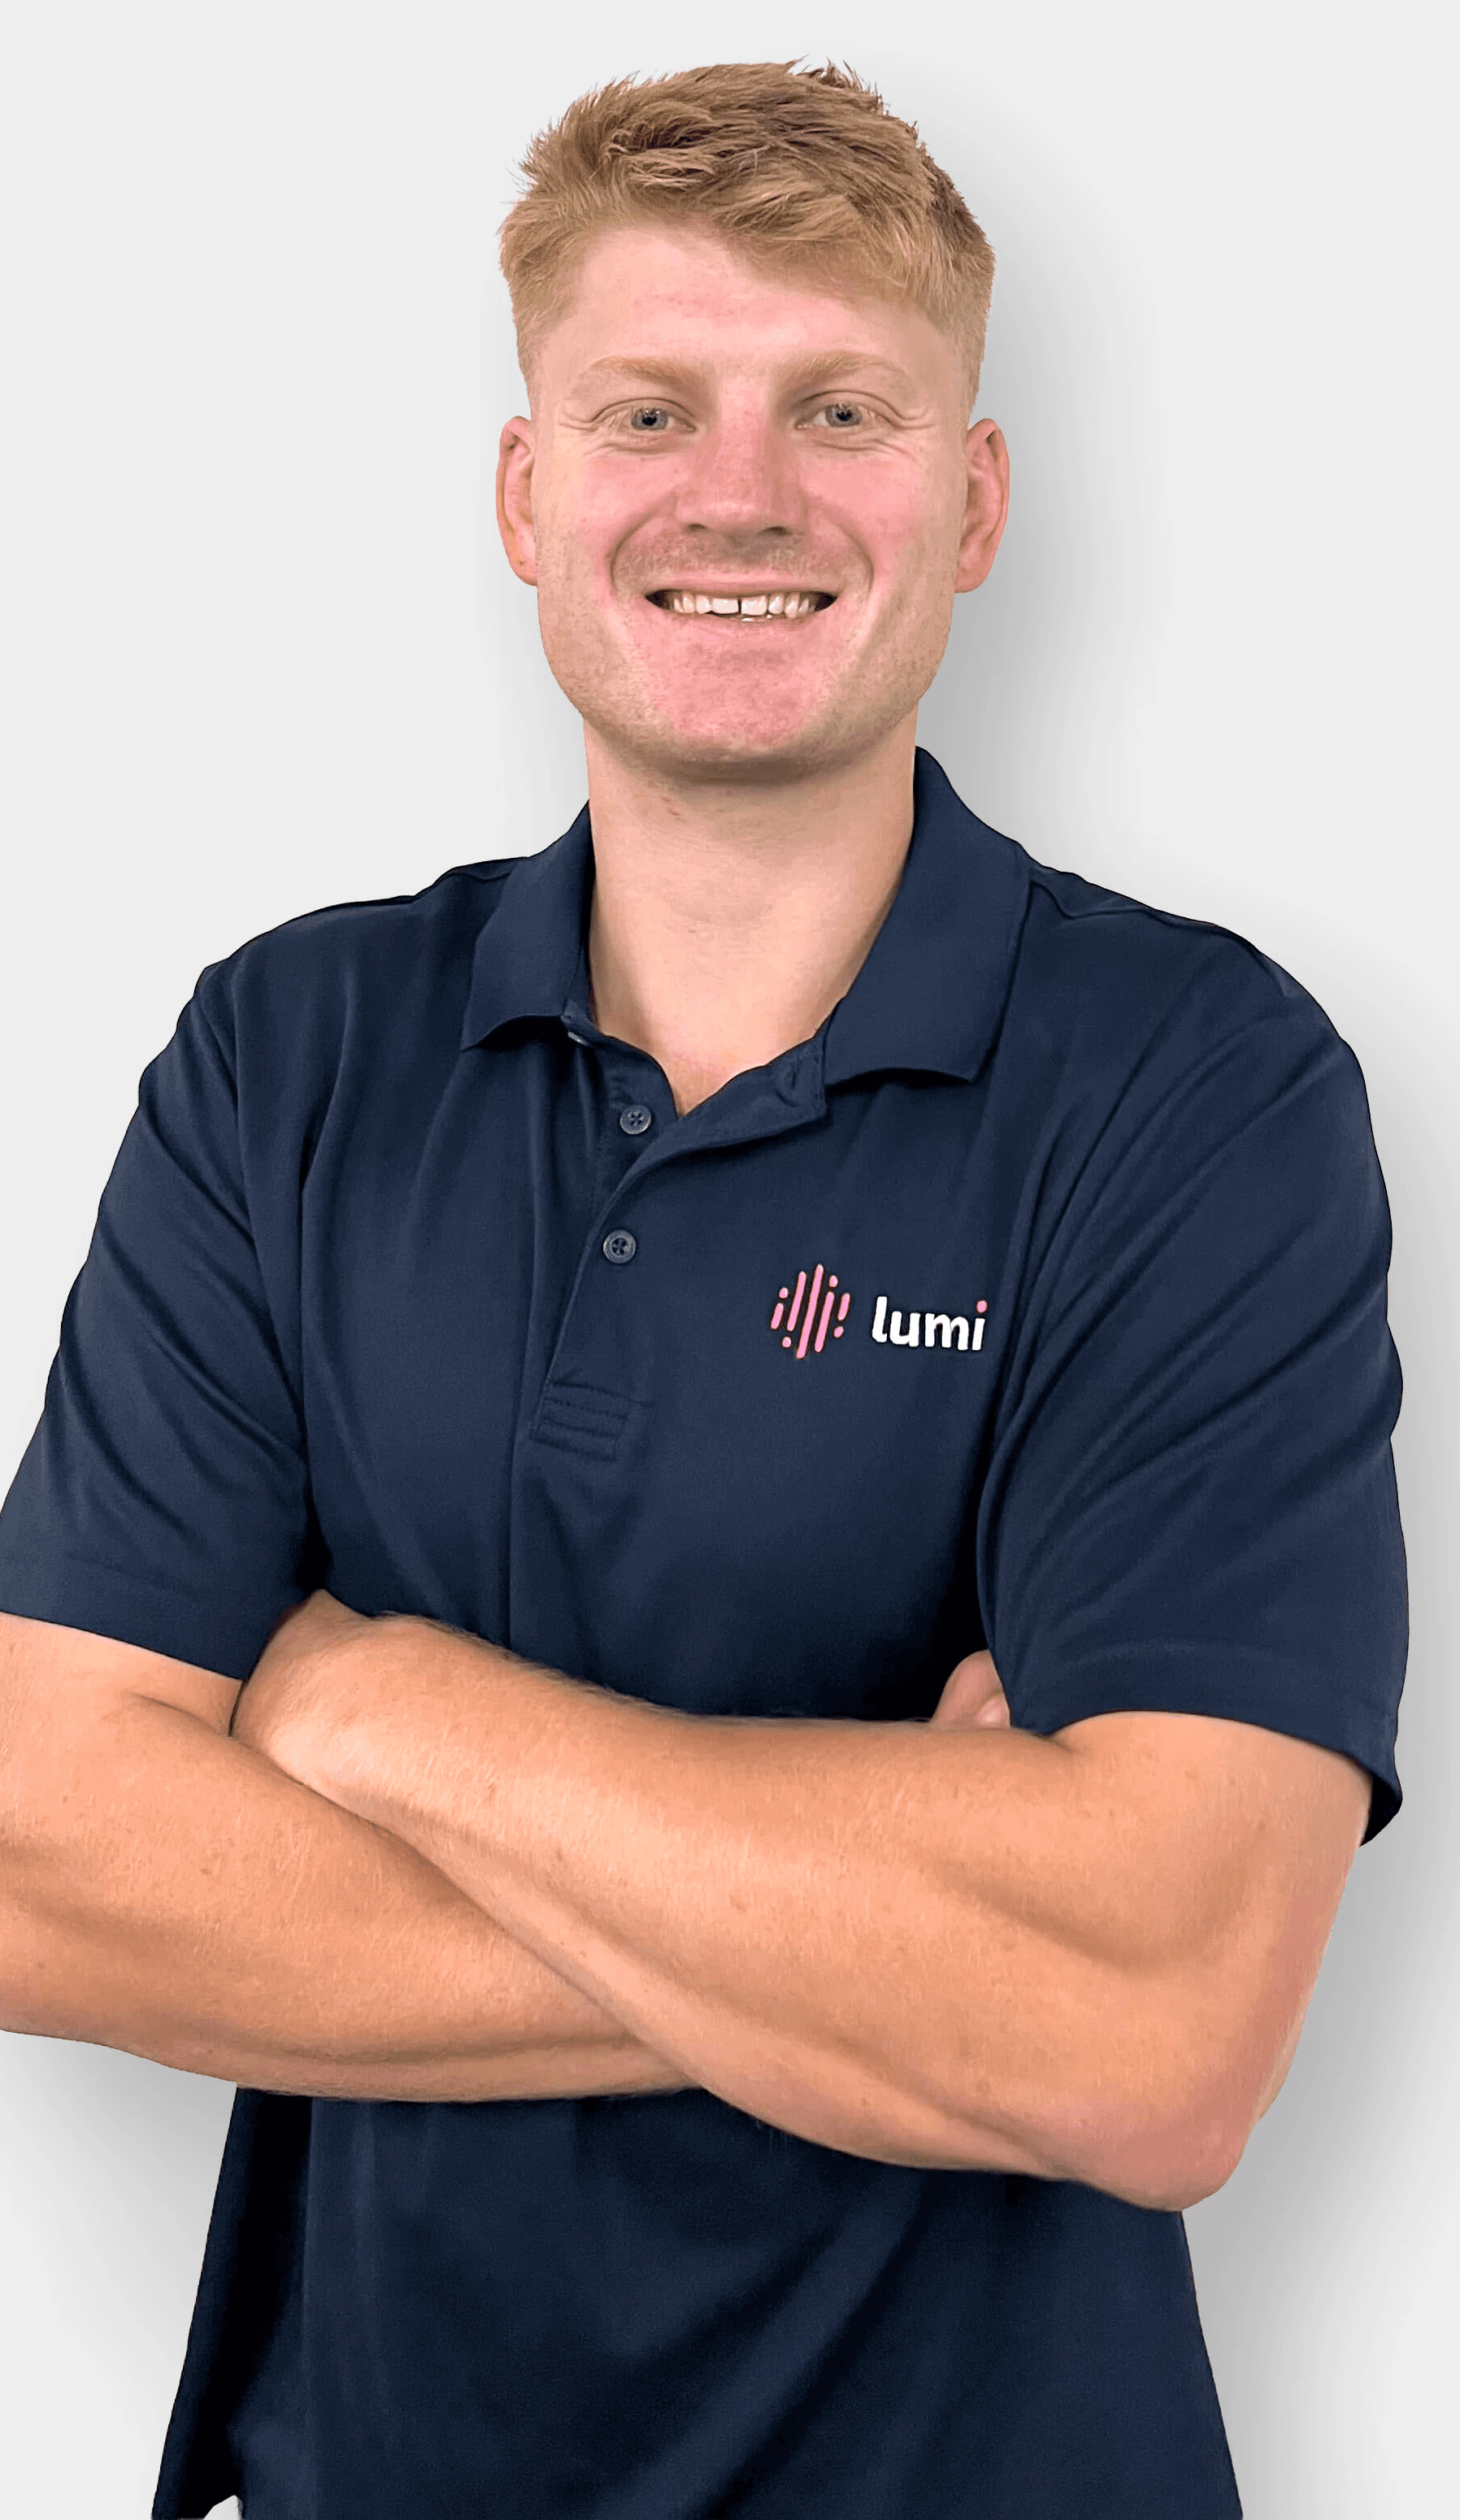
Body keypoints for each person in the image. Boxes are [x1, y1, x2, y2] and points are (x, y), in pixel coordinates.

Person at [0, 59, 1406, 2520]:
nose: (738, 492)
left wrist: (362, 1699)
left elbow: (1163, 2028)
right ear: (527, 497)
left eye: (840, 410)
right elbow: (39, 1856)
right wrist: (941, 1957)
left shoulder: (1195, 1082)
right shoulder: (289, 1053)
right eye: (647, 410)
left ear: (971, 504)